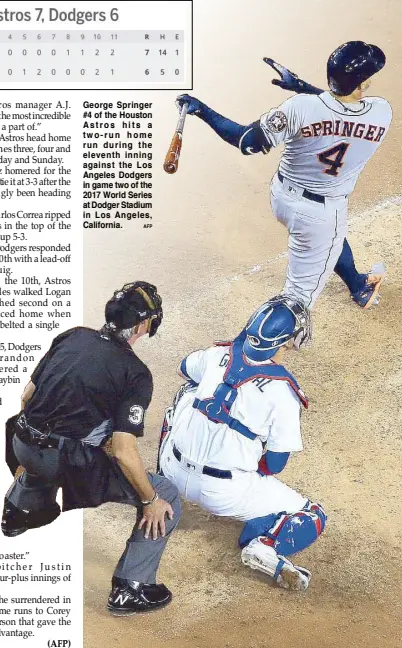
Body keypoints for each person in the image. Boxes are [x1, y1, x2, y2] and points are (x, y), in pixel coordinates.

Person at [1, 281, 181, 616]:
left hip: (20, 442)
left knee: (58, 432)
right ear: (144, 325)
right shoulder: (136, 374)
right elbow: (125, 451)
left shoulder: (74, 336)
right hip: (60, 461)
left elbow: (27, 396)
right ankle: (132, 588)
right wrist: (149, 500)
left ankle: (18, 510)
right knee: (165, 495)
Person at [176, 41, 392, 310]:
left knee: (332, 239)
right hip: (321, 213)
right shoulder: (381, 112)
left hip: (282, 196)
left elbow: (246, 140)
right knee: (299, 295)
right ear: (361, 86)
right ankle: (265, 344)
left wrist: (201, 109)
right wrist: (303, 86)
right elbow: (343, 114)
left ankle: (358, 284)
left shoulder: (299, 108)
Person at [158, 295, 326, 591]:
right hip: (222, 493)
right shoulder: (282, 392)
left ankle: (159, 483)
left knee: (188, 393)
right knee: (312, 515)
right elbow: (275, 465)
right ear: (287, 342)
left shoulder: (216, 354)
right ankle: (264, 546)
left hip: (173, 469)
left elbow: (184, 368)